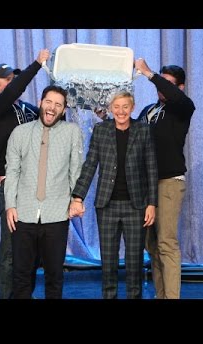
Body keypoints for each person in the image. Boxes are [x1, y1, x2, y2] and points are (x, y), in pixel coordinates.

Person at [70, 91, 158, 299]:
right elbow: (90, 165)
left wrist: (152, 203)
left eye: (125, 107)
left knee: (134, 260)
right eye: (116, 107)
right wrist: (78, 196)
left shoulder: (143, 130)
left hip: (135, 206)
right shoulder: (101, 130)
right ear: (111, 109)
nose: (120, 111)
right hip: (107, 206)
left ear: (132, 108)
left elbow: (151, 169)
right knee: (108, 261)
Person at [4, 85, 84, 299]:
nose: (52, 108)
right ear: (40, 103)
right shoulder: (20, 132)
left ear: (64, 110)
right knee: (21, 275)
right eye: (49, 102)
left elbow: (76, 170)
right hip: (24, 213)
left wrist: (77, 199)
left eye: (58, 104)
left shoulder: (72, 132)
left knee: (55, 276)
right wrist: (10, 205)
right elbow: (12, 171)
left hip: (57, 214)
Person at [0, 49, 49, 299]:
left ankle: (24, 295)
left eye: (14, 78)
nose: (12, 83)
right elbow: (13, 92)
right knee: (11, 248)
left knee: (33, 248)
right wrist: (35, 64)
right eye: (7, 79)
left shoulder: (29, 109)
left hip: (35, 185)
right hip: (12, 185)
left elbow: (52, 118)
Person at [135, 59, 196, 299]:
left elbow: (178, 98)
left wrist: (149, 73)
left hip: (169, 181)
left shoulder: (182, 107)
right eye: (160, 82)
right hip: (145, 185)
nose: (161, 88)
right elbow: (131, 134)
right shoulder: (149, 110)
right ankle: (161, 295)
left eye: (168, 84)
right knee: (151, 246)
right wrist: (105, 116)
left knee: (166, 243)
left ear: (179, 87)